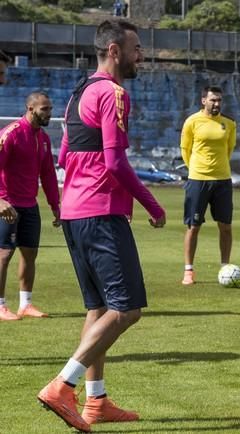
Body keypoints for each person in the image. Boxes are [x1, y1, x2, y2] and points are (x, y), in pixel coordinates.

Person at [37, 19, 166, 433]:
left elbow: (63, 159)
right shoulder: (113, 94)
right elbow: (113, 162)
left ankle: (96, 400)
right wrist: (151, 203)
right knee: (126, 309)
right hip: (100, 213)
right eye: (136, 48)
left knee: (98, 308)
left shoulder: (78, 93)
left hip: (76, 214)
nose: (141, 55)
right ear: (114, 50)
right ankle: (63, 384)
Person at [0, 91, 60, 321]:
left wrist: (55, 204)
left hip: (30, 205)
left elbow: (48, 175)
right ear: (30, 108)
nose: (49, 113)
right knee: (4, 254)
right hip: (8, 204)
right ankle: (1, 305)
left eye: (50, 109)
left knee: (30, 254)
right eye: (45, 109)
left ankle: (25, 304)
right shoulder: (11, 134)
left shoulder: (43, 138)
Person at [180, 86, 236, 285]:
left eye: (219, 100)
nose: (217, 104)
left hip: (223, 180)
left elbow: (229, 149)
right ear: (204, 100)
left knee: (225, 227)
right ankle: (188, 271)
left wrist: (219, 170)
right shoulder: (192, 122)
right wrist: (196, 170)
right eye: (213, 100)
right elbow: (185, 149)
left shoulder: (228, 123)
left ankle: (225, 267)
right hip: (198, 180)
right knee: (193, 227)